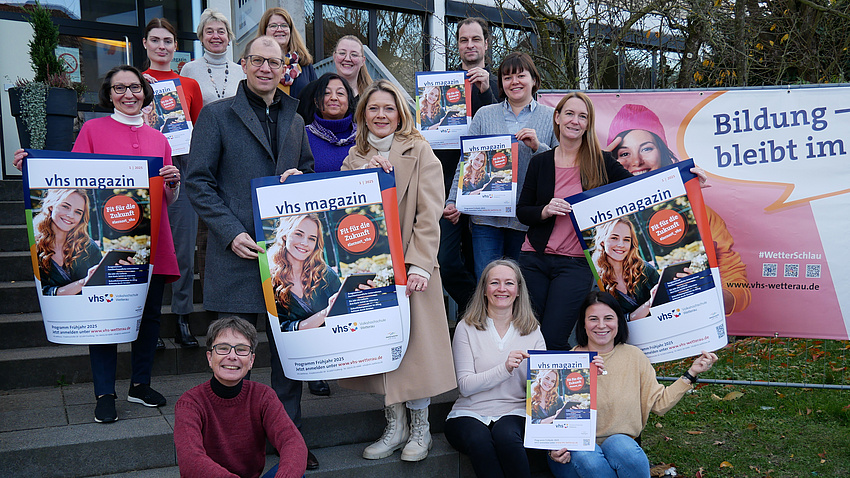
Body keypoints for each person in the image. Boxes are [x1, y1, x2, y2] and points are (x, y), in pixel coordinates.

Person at [14, 65, 181, 422]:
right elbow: (71, 177)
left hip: (151, 240)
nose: (128, 94)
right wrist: (32, 165)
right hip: (106, 238)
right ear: (109, 94)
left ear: (144, 92)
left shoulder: (160, 139)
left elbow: (168, 199)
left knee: (149, 317)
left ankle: (139, 386)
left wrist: (172, 182)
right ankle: (104, 392)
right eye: (119, 88)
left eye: (134, 87)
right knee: (103, 317)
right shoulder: (92, 129)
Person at [185, 35, 318, 470]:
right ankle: (229, 445)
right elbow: (198, 181)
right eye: (258, 60)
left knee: (289, 359)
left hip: (286, 262)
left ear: (286, 68)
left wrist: (301, 177)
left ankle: (290, 442)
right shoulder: (217, 115)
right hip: (237, 255)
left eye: (274, 62)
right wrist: (227, 232)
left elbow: (310, 173)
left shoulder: (296, 119)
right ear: (244, 64)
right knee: (232, 353)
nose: (266, 68)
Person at [339, 79, 456, 462]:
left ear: (401, 113)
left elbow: (429, 214)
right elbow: (341, 216)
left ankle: (420, 429)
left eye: (389, 108)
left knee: (415, 353)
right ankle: (395, 426)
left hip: (412, 270)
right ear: (363, 114)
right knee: (382, 351)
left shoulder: (420, 150)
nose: (381, 115)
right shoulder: (353, 157)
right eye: (373, 109)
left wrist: (421, 263)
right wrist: (367, 177)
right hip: (369, 273)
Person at [547, 291, 718, 477]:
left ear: (619, 321)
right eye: (593, 319)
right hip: (574, 454)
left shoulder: (634, 356)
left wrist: (692, 373)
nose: (602, 325)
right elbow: (548, 415)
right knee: (589, 458)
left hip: (620, 447)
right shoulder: (565, 362)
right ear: (583, 323)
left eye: (609, 318)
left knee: (622, 446)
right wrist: (553, 448)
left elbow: (659, 404)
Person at [606, 104, 750, 315]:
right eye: (624, 153)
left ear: (662, 153)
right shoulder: (600, 216)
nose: (636, 161)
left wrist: (705, 290)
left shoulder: (702, 214)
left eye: (646, 148)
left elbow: (737, 285)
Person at [515, 92, 632, 351]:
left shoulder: (602, 161)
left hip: (575, 264)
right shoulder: (540, 162)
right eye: (569, 113)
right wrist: (544, 210)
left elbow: (640, 187)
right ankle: (528, 393)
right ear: (557, 117)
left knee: (554, 338)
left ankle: (553, 391)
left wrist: (686, 179)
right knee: (529, 337)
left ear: (588, 124)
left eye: (583, 116)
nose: (575, 121)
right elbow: (522, 211)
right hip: (534, 259)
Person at [447, 52, 558, 279]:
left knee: (521, 287)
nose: (514, 82)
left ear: (534, 80)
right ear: (501, 84)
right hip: (486, 220)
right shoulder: (484, 115)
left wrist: (539, 147)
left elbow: (561, 163)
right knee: (487, 283)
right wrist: (453, 200)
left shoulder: (551, 117)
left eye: (520, 76)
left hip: (527, 219)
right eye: (507, 77)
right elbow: (465, 162)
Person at [444, 259, 545, 478]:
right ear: (484, 290)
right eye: (494, 283)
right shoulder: (466, 327)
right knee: (479, 441)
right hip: (468, 411)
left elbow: (543, 386)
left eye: (509, 283)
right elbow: (466, 386)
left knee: (507, 436)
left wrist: (580, 372)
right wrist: (505, 368)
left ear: (518, 290)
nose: (502, 289)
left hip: (514, 410)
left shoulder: (532, 330)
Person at [174, 317, 307, 478]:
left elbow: (293, 442)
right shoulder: (190, 403)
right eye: (223, 348)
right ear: (210, 358)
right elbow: (191, 460)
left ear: (251, 360)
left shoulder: (263, 396)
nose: (232, 356)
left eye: (242, 349)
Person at [142, 17, 204, 348]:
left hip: (181, 165)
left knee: (182, 246)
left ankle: (181, 315)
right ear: (145, 44)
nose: (162, 46)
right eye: (155, 40)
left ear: (176, 47)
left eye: (168, 41)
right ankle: (143, 317)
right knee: (143, 244)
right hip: (143, 165)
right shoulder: (134, 83)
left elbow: (198, 131)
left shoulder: (189, 85)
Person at [437, 17, 501, 315]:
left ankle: (485, 322)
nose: (470, 45)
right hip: (449, 187)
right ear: (458, 45)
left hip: (488, 190)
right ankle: (473, 308)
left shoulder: (504, 84)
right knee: (447, 261)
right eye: (464, 40)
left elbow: (502, 139)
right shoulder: (441, 85)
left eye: (476, 39)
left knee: (485, 265)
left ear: (486, 44)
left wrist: (488, 91)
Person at [268, 214, 341, 332]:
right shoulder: (270, 281)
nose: (305, 243)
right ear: (285, 234)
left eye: (312, 238)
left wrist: (360, 296)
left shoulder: (326, 274)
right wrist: (324, 313)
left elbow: (346, 310)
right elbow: (281, 329)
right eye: (298, 234)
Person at [32, 189, 102, 296]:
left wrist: (119, 272)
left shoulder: (88, 247)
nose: (71, 215)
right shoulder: (34, 246)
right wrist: (82, 283)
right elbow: (41, 293)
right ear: (51, 206)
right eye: (65, 206)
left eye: (78, 212)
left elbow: (103, 285)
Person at [592, 218, 660, 321]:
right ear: (602, 241)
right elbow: (612, 322)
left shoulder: (645, 269)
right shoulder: (594, 281)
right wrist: (648, 305)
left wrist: (680, 285)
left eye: (626, 239)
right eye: (614, 238)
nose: (621, 245)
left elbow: (669, 300)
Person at [180, 8, 245, 105]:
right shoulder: (189, 70)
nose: (215, 36)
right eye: (209, 32)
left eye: (221, 32)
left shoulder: (241, 71)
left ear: (228, 37)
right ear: (201, 37)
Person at [302, 72, 357, 173]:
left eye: (340, 93)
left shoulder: (363, 136)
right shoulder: (302, 136)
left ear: (349, 101)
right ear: (316, 102)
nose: (334, 98)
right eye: (327, 93)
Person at [257, 7, 316, 99]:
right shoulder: (253, 62)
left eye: (284, 25)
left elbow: (316, 99)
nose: (279, 29)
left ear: (290, 30)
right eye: (273, 26)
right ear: (264, 31)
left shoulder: (305, 64)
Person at [331, 35, 371, 101]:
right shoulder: (322, 93)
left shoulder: (371, 96)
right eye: (342, 53)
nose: (347, 59)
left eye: (354, 55)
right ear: (334, 56)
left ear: (363, 61)